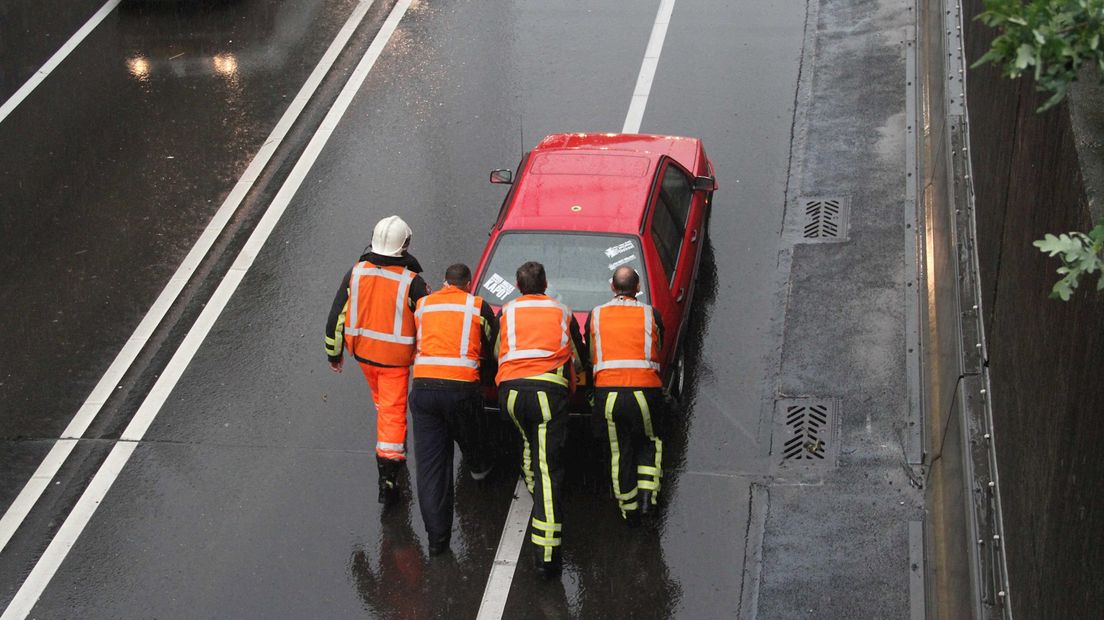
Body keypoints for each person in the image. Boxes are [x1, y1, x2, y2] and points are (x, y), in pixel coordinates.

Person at [325, 215, 429, 503]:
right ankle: (389, 475)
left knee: (383, 405)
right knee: (392, 416)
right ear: (403, 246)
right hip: (394, 362)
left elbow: (337, 315)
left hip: (363, 356)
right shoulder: (413, 283)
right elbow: (428, 322)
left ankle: (391, 452)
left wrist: (334, 353)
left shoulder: (356, 272)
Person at [496, 261, 586, 578]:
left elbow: (498, 351)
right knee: (550, 467)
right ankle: (547, 554)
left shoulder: (506, 312)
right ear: (545, 284)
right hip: (548, 393)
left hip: (510, 393)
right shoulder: (561, 311)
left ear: (518, 287)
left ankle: (535, 489)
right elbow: (577, 355)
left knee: (527, 442)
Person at [409, 263, 498, 555]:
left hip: (423, 390)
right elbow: (494, 346)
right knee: (473, 436)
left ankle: (437, 540)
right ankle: (480, 472)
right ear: (469, 283)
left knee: (432, 467)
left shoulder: (422, 306)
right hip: (461, 390)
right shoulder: (477, 306)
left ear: (444, 282)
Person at [585, 266, 665, 526]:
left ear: (612, 287)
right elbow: (658, 346)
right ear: (638, 287)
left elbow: (590, 356)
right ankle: (647, 501)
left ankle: (628, 507)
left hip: (608, 393)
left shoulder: (596, 315)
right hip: (645, 390)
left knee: (619, 450)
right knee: (649, 441)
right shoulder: (650, 313)